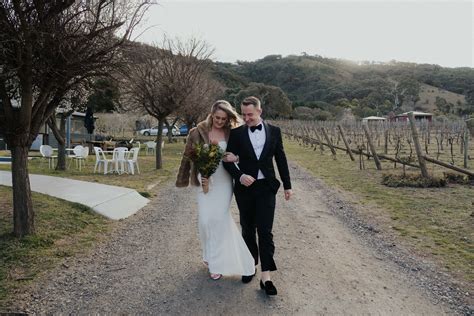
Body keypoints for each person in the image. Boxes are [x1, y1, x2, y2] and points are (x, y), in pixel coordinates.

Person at [176, 100, 255, 280]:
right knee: (205, 221)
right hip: (205, 180)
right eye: (217, 117)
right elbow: (189, 155)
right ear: (211, 114)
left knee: (218, 220)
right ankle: (208, 253)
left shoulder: (232, 133)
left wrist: (236, 158)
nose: (219, 121)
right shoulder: (197, 132)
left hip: (225, 181)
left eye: (223, 118)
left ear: (228, 119)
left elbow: (244, 154)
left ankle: (216, 262)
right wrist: (185, 177)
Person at [223, 96, 292, 296]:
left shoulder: (275, 131)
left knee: (265, 231)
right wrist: (240, 175)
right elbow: (227, 160)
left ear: (260, 111)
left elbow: (281, 158)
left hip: (266, 187)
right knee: (247, 229)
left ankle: (266, 276)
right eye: (243, 114)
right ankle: (250, 265)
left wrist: (287, 185)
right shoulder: (236, 134)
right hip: (245, 189)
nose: (246, 118)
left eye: (250, 114)